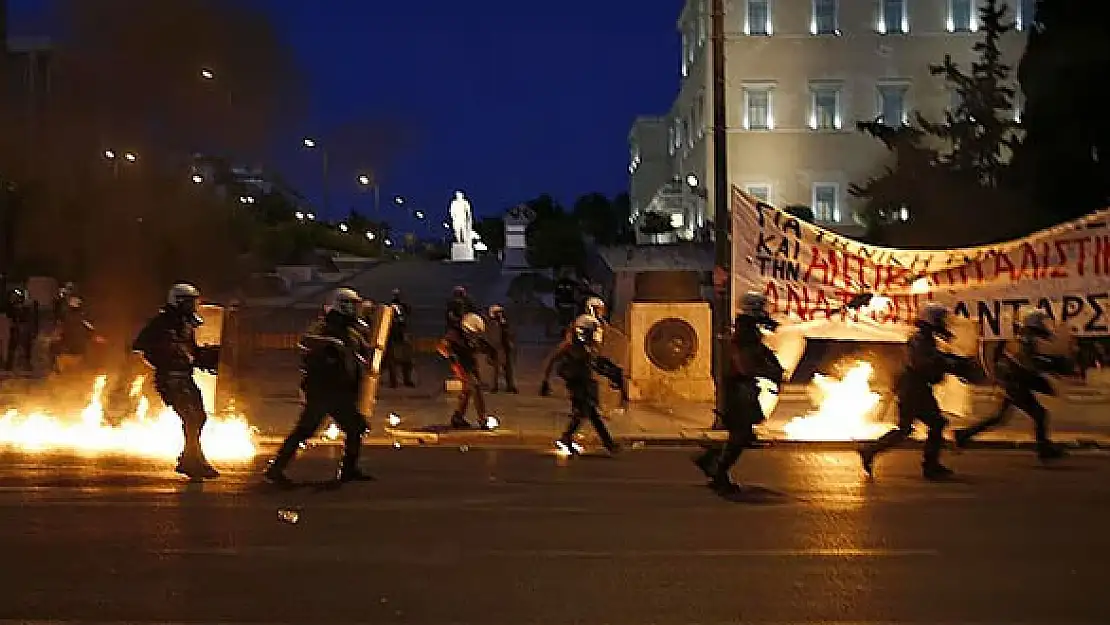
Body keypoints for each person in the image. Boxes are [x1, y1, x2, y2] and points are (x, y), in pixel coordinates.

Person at [859, 302, 984, 480]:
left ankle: (927, 465)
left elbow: (934, 361)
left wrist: (953, 361)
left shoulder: (926, 338)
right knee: (917, 427)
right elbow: (924, 364)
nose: (943, 323)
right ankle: (925, 465)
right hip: (913, 388)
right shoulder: (920, 339)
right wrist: (951, 363)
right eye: (940, 320)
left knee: (926, 425)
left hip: (917, 388)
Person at [264, 288, 374, 485]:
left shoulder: (352, 329)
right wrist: (332, 343)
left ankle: (349, 470)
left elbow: (358, 353)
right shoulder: (325, 325)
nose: (356, 309)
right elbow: (306, 340)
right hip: (323, 389)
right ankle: (275, 469)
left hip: (340, 389)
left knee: (355, 427)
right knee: (305, 430)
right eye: (352, 305)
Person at [692, 292, 783, 493]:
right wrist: (768, 371)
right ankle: (718, 471)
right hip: (739, 388)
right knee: (740, 435)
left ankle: (711, 461)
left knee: (743, 434)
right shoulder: (745, 332)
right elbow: (744, 364)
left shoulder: (749, 327)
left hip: (742, 387)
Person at [954, 309, 1072, 460]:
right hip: (1015, 383)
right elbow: (1029, 363)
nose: (1046, 326)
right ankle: (1044, 450)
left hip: (1013, 382)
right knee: (1039, 414)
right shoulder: (1027, 339)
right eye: (1043, 323)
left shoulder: (1024, 336)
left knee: (1000, 418)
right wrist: (1052, 365)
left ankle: (963, 435)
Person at [132, 283, 221, 479]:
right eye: (189, 302)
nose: (193, 306)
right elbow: (139, 346)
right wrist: (162, 356)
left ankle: (191, 458)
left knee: (199, 417)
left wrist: (204, 358)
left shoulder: (187, 323)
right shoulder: (162, 323)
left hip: (185, 376)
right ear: (178, 302)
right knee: (190, 418)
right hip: (169, 378)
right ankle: (193, 461)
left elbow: (190, 350)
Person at [540, 314, 625, 455]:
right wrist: (545, 382)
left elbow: (595, 363)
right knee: (584, 412)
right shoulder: (569, 345)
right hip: (577, 383)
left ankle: (608, 444)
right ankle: (567, 437)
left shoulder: (586, 347)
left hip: (585, 381)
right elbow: (551, 360)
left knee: (591, 414)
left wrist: (612, 373)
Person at [437, 312, 498, 429]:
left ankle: (458, 417)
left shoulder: (473, 337)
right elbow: (442, 347)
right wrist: (451, 355)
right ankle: (482, 419)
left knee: (467, 391)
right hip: (461, 365)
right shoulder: (455, 333)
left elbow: (482, 345)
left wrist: (491, 353)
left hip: (471, 365)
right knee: (475, 388)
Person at [384, 288, 415, 387]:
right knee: (393, 360)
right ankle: (395, 381)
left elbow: (408, 314)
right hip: (394, 335)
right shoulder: (390, 308)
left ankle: (405, 380)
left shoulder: (402, 307)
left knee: (406, 360)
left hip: (401, 335)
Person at [5, 287, 39, 372]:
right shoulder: (14, 306)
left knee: (24, 347)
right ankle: (11, 365)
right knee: (15, 347)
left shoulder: (27, 306)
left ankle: (24, 365)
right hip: (18, 327)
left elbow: (31, 317)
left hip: (23, 328)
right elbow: (10, 314)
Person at [487, 304, 518, 393]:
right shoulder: (491, 323)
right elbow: (491, 336)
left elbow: (509, 334)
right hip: (496, 348)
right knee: (495, 369)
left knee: (508, 368)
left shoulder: (503, 323)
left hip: (505, 347)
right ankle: (494, 386)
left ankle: (510, 386)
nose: (500, 314)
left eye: (500, 312)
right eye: (498, 312)